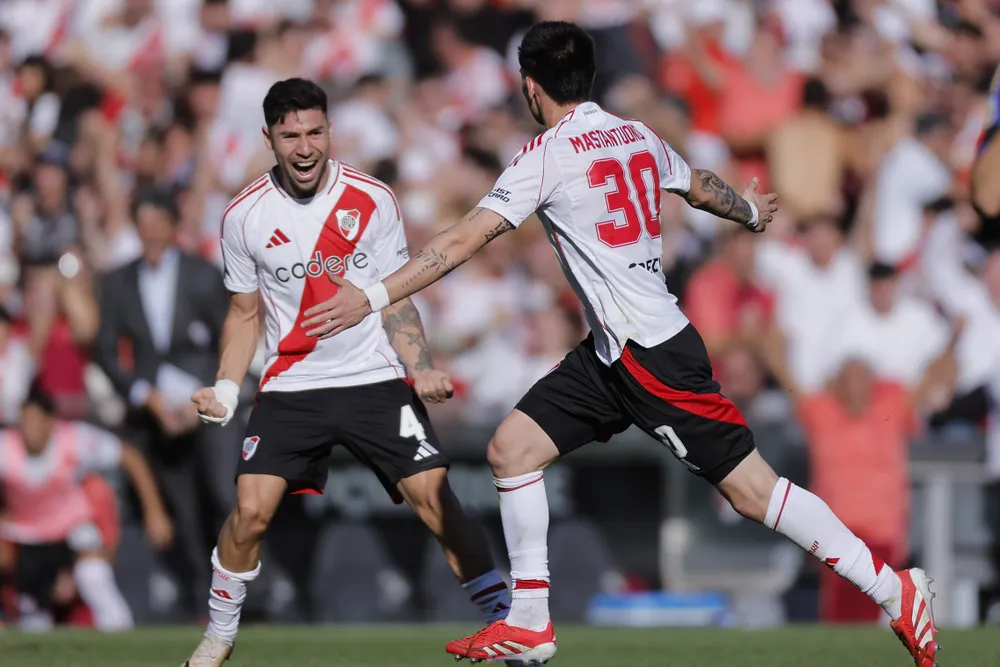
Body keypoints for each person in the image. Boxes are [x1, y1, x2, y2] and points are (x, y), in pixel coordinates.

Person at [302, 22, 939, 667]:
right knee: (511, 449)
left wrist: (372, 296)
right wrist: (746, 213)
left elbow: (464, 241)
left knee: (754, 492)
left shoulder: (547, 155)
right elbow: (698, 185)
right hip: (613, 351)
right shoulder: (637, 133)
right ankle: (530, 621)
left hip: (651, 356)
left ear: (530, 87)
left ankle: (895, 589)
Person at [184, 78, 513, 667]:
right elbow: (243, 314)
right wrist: (230, 388)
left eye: (314, 131)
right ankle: (219, 636)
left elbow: (398, 295)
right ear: (269, 139)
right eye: (290, 136)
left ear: (330, 130)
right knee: (251, 511)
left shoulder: (373, 198)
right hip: (292, 385)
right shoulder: (244, 216)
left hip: (374, 380)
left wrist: (423, 368)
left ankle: (505, 628)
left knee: (438, 501)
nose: (305, 147)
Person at [94, 187, 231, 615]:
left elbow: (232, 340)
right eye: (144, 226)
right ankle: (200, 598)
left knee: (224, 495)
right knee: (182, 510)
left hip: (210, 409)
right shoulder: (117, 282)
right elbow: (105, 351)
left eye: (159, 225)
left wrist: (208, 398)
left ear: (174, 227)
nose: (152, 235)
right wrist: (146, 396)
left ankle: (247, 594)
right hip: (157, 414)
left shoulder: (204, 275)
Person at [0, 383, 173, 631]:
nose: (30, 430)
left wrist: (154, 511)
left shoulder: (75, 439)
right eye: (25, 422)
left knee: (93, 573)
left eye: (36, 422)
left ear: (51, 422)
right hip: (27, 534)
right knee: (33, 614)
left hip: (70, 529)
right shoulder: (7, 447)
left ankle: (119, 632)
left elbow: (130, 457)